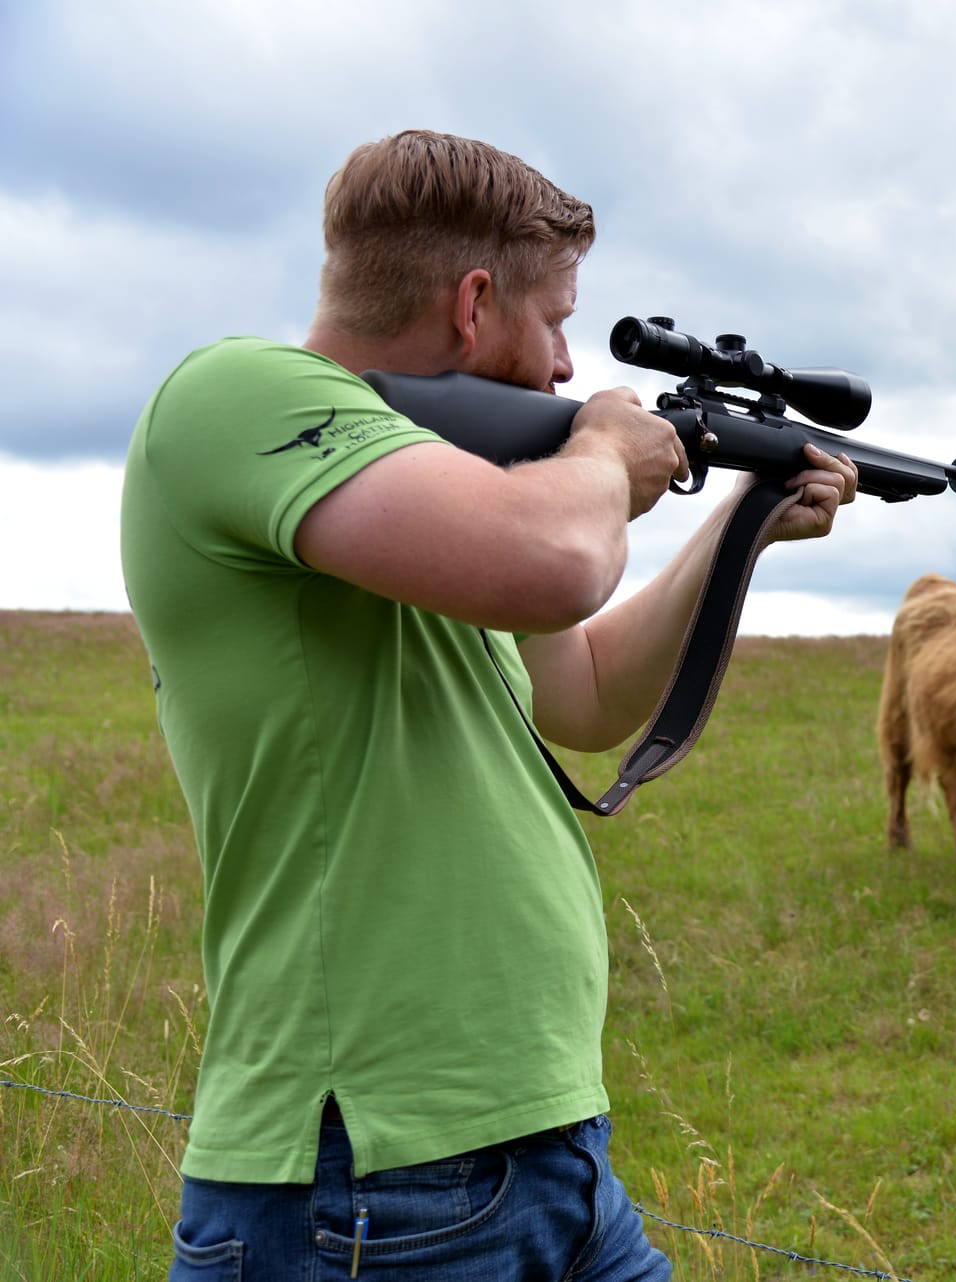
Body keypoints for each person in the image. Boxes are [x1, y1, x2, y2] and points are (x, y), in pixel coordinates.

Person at [121, 129, 857, 1280]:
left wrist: (738, 518)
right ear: (473, 304)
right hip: (365, 1181)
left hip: (545, 1150)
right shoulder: (234, 395)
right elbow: (559, 559)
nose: (567, 366)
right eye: (557, 320)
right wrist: (612, 454)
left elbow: (591, 691)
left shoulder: (439, 509)